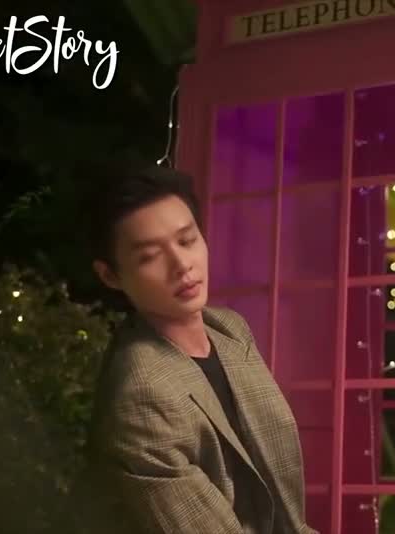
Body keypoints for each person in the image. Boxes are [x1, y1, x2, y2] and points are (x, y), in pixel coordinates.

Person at [85, 164, 316, 534]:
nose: (182, 265)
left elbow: (282, 506)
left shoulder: (228, 329)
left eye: (187, 240)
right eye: (150, 256)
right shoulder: (142, 396)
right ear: (111, 275)